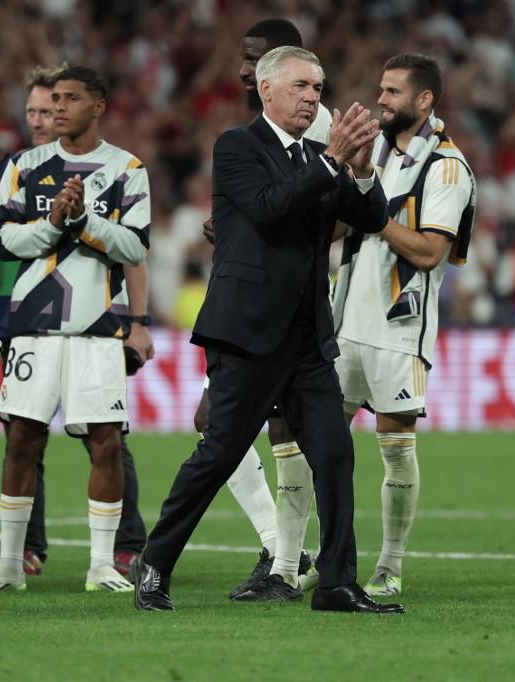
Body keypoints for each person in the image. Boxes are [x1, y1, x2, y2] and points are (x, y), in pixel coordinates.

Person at [132, 46, 402, 614]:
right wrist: (331, 161)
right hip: (248, 333)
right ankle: (154, 561)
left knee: (333, 454)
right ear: (266, 89)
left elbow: (373, 218)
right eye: (302, 85)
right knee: (222, 452)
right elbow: (269, 208)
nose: (313, 97)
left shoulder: (319, 158)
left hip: (306, 337)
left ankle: (334, 584)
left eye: (319, 88)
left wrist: (361, 168)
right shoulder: (238, 147)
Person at [0, 65, 150, 594]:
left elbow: (136, 247)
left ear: (98, 106)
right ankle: (8, 563)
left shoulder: (126, 169)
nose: (59, 108)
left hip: (99, 328)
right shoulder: (26, 166)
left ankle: (100, 565)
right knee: (22, 439)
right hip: (35, 327)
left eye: (70, 99)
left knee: (106, 443)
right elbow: (2, 239)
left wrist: (83, 222)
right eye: (54, 99)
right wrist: (51, 224)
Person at [329, 53, 476, 598]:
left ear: (424, 101)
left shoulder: (446, 168)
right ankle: (298, 556)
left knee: (395, 444)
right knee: (317, 439)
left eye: (391, 92)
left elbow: (431, 251)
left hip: (398, 327)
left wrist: (375, 215)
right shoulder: (378, 154)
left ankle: (389, 565)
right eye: (380, 89)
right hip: (344, 323)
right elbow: (344, 223)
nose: (380, 100)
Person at [199, 17, 333, 600]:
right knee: (269, 431)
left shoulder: (312, 124)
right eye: (244, 57)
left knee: (257, 428)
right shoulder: (255, 134)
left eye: (254, 58)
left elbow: (321, 210)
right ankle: (284, 552)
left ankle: (286, 555)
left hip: (291, 305)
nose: (242, 70)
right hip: (266, 299)